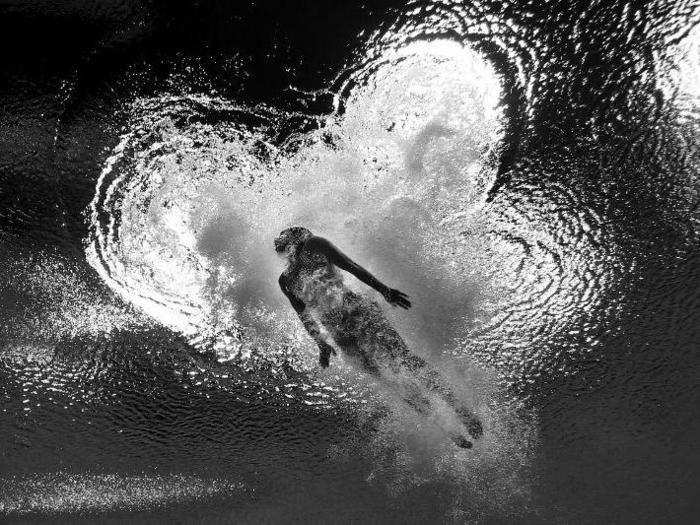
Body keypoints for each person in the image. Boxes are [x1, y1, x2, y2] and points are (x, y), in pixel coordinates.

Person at [275, 226, 482, 447]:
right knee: (398, 373)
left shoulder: (304, 259)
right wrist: (321, 344)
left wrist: (384, 290)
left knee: (402, 368)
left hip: (352, 321)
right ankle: (450, 423)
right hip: (348, 325)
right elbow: (307, 313)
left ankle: (456, 416)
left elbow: (349, 271)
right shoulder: (294, 270)